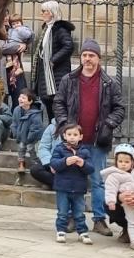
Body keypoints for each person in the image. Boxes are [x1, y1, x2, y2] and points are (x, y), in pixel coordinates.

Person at [53, 39, 125, 237]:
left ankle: (99, 219)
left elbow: (119, 108)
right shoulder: (69, 79)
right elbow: (58, 102)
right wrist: (64, 123)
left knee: (98, 181)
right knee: (70, 179)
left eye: (91, 55)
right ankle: (70, 218)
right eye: (84, 55)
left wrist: (108, 124)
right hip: (72, 141)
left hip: (96, 140)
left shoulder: (109, 83)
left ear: (99, 58)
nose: (87, 59)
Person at [50, 122, 95, 245]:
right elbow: (54, 164)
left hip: (79, 188)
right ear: (64, 135)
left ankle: (82, 232)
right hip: (63, 188)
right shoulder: (59, 149)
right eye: (69, 134)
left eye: (75, 134)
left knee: (79, 212)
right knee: (62, 212)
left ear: (81, 137)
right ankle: (60, 230)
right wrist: (65, 161)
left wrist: (83, 164)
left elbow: (91, 169)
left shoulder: (85, 151)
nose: (72, 137)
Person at [102, 143, 134, 251]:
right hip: (127, 202)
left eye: (126, 162)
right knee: (132, 221)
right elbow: (110, 189)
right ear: (116, 162)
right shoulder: (114, 175)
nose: (123, 164)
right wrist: (111, 201)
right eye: (120, 161)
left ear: (132, 162)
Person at [32, 0, 74, 119]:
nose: (42, 13)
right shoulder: (47, 28)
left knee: (57, 107)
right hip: (46, 75)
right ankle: (53, 132)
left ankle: (59, 133)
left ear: (51, 13)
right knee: (48, 103)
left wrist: (53, 60)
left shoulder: (60, 29)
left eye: (44, 11)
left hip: (56, 74)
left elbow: (69, 46)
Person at [11, 89, 44, 186]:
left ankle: (36, 165)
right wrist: (16, 133)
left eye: (23, 98)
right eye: (20, 97)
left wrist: (29, 138)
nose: (20, 99)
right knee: (21, 149)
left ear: (30, 101)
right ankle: (21, 164)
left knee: (32, 150)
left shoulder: (35, 113)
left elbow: (36, 128)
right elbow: (14, 123)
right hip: (21, 135)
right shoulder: (17, 110)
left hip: (31, 138)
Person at [29, 121, 57, 189]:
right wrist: (51, 163)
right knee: (35, 169)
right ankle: (57, 184)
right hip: (53, 162)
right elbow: (44, 147)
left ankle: (55, 184)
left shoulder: (75, 128)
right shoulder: (51, 127)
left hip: (69, 165)